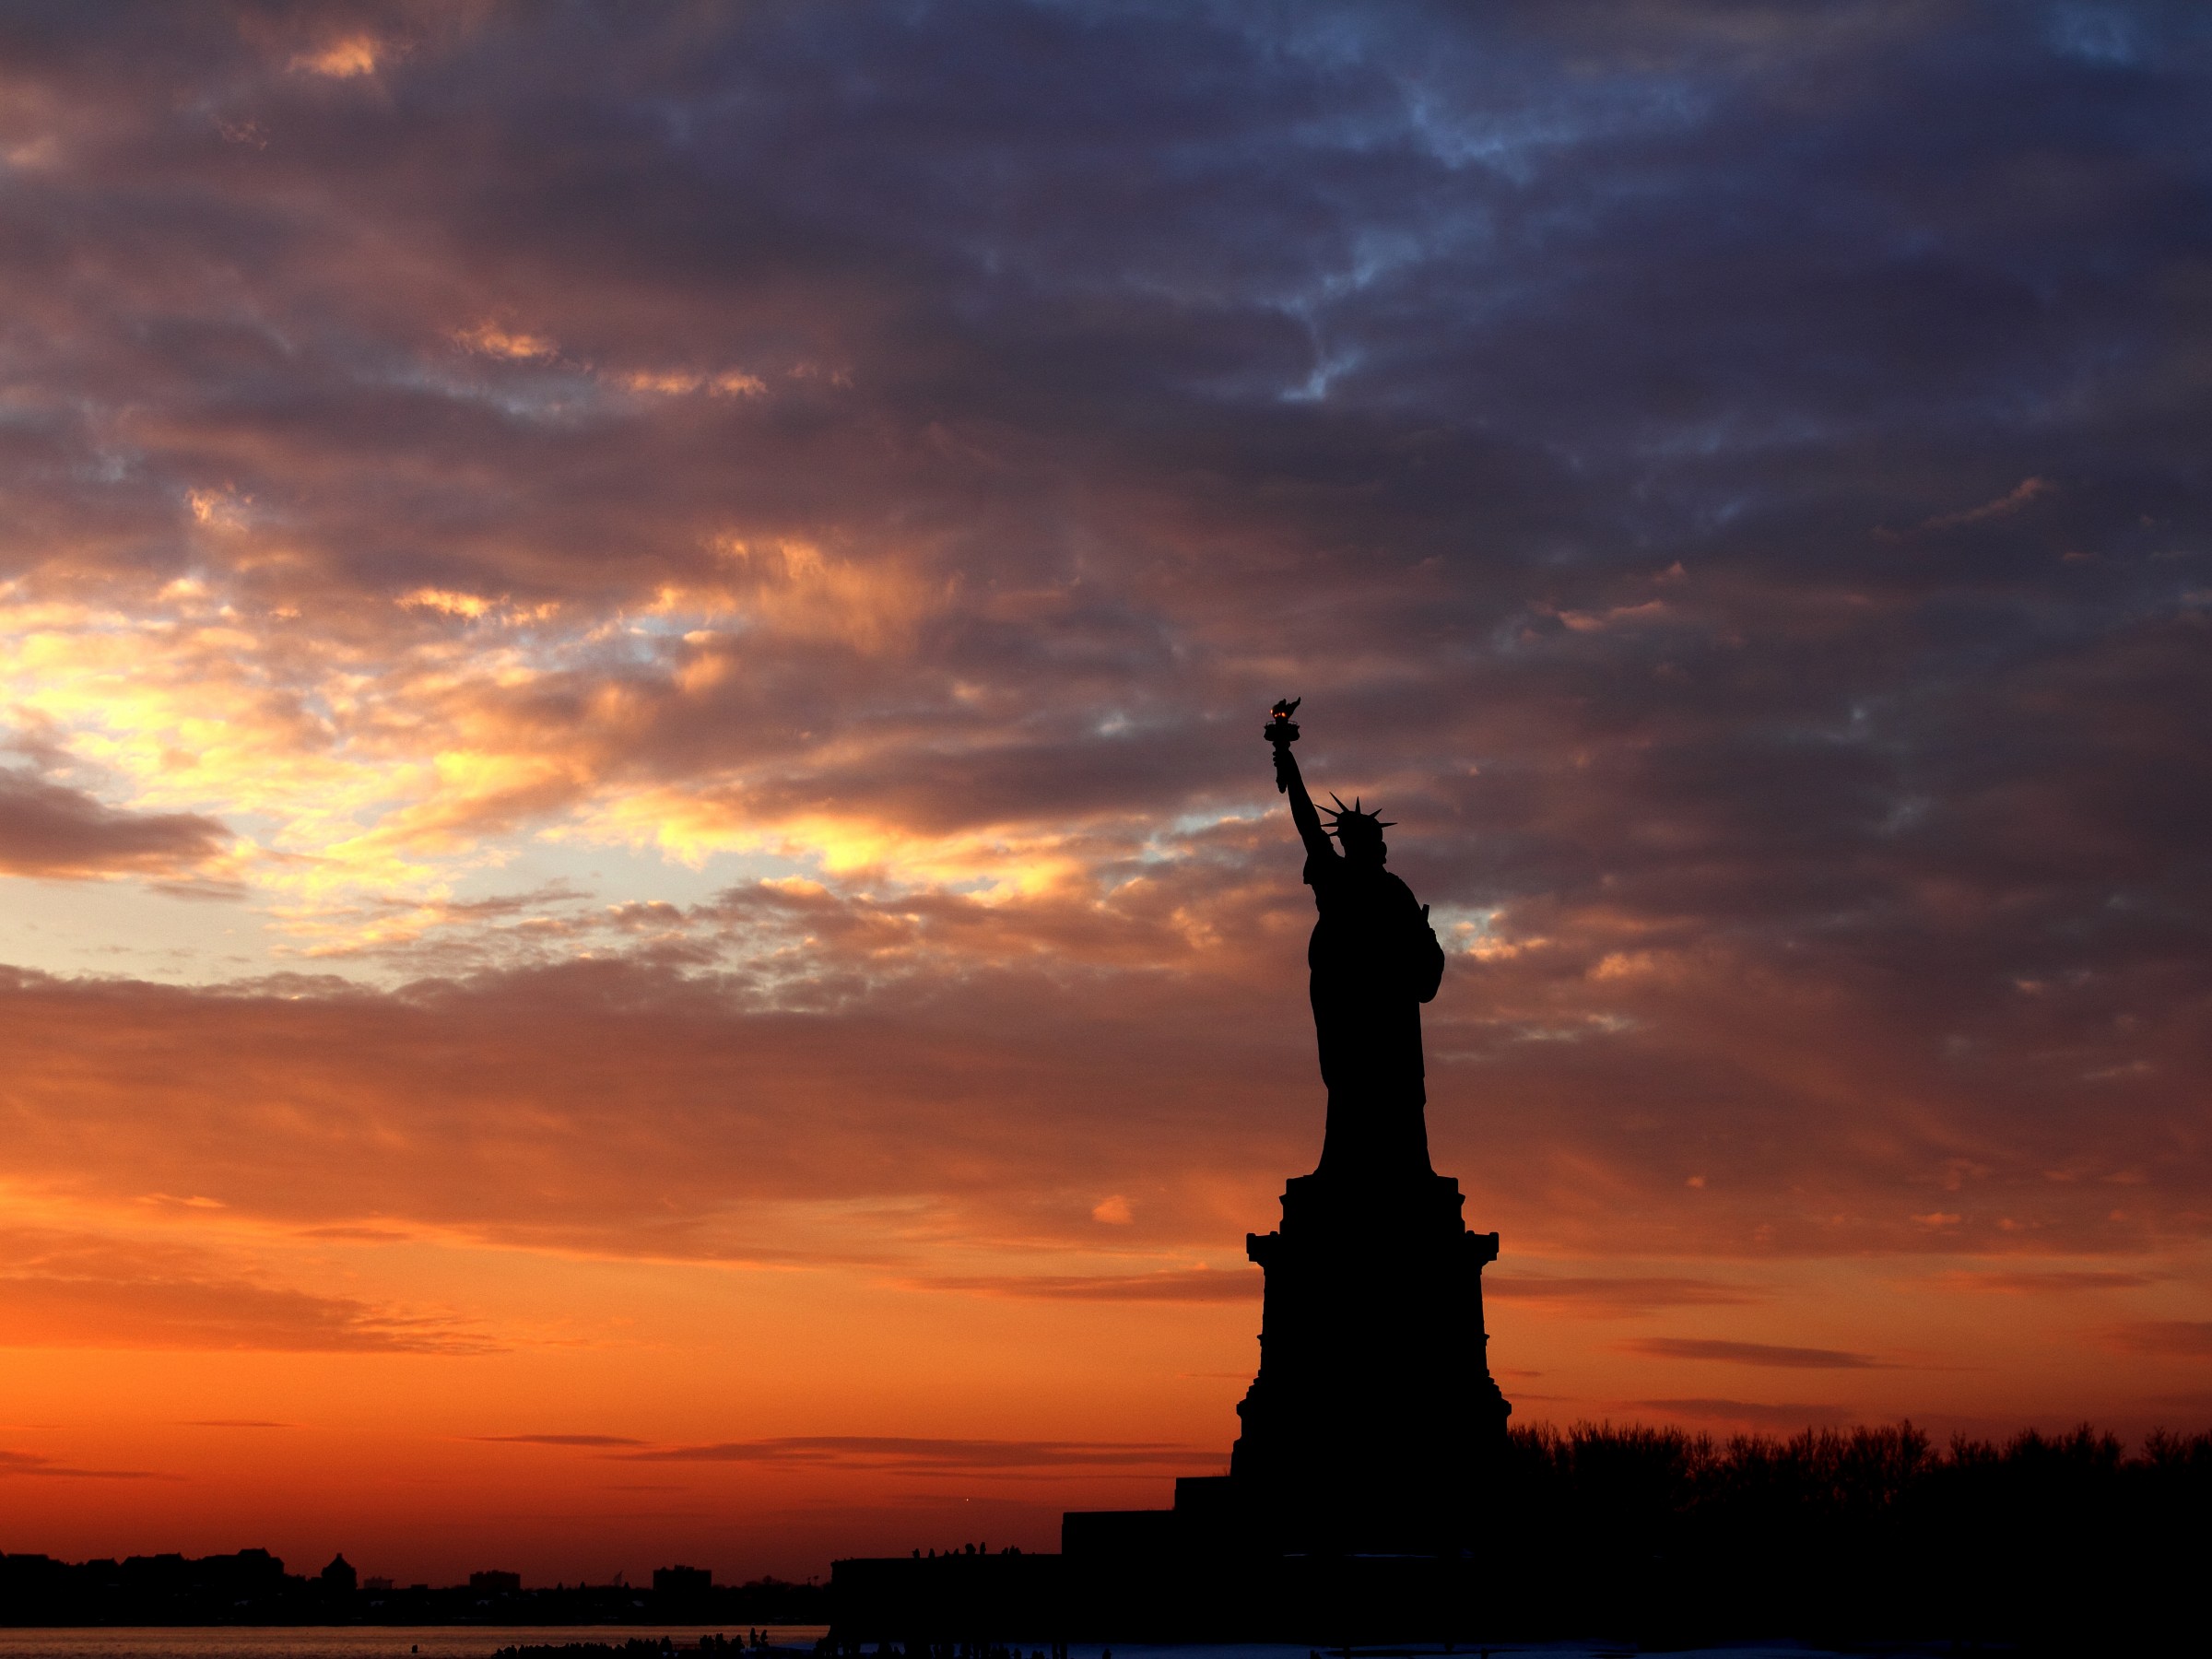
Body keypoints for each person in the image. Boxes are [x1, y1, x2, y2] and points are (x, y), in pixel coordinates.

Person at [1271, 718, 1445, 1182]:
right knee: (1350, 1083)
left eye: (1379, 841)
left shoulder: (1396, 891)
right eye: (1370, 841)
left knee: (1397, 1088)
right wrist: (1290, 765)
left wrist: (1424, 944)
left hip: (1390, 1008)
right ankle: (1347, 1167)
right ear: (1353, 844)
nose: (1380, 847)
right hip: (1349, 1003)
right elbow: (1309, 824)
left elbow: (1422, 949)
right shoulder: (1335, 876)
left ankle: (1405, 1170)